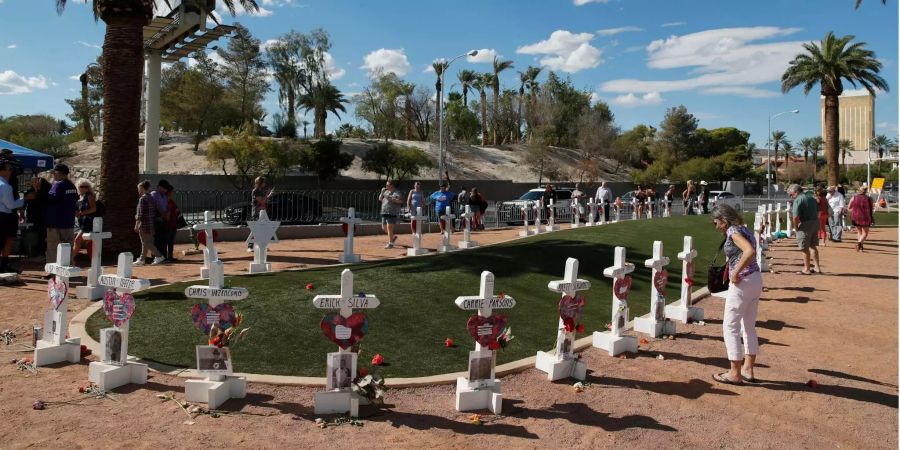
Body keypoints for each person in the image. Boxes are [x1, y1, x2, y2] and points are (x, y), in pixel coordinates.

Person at [710, 204, 762, 386]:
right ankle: (748, 369)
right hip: (755, 279)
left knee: (730, 326)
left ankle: (734, 373)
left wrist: (735, 272)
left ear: (723, 221)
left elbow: (749, 251)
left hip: (743, 282)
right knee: (748, 326)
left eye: (716, 223)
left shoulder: (733, 231)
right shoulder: (744, 229)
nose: (715, 227)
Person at [0, 160, 33, 273]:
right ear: (3, 171)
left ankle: (4, 265)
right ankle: (3, 265)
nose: (11, 171)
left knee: (6, 240)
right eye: (9, 169)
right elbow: (10, 205)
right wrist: (25, 199)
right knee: (6, 240)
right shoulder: (5, 186)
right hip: (4, 216)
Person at [44, 164, 79, 265]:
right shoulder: (71, 186)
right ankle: (67, 269)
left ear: (60, 173)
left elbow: (51, 199)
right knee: (68, 247)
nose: (53, 175)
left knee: (53, 248)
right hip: (68, 222)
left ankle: (52, 271)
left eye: (54, 172)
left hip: (55, 222)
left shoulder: (58, 184)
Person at [787, 184, 820, 274]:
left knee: (804, 247)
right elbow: (818, 211)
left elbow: (795, 217)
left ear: (796, 192)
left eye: (791, 194)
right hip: (815, 222)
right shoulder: (811, 198)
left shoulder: (798, 200)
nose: (791, 196)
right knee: (813, 246)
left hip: (806, 224)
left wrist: (796, 227)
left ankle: (807, 269)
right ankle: (817, 268)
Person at [134, 180, 165, 266]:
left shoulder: (142, 199)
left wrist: (136, 225)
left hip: (143, 225)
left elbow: (140, 214)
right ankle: (142, 259)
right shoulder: (151, 198)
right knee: (146, 242)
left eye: (139, 189)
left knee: (146, 242)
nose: (138, 191)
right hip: (151, 224)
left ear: (142, 188)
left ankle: (159, 256)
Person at [23, 177, 51, 258]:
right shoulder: (29, 192)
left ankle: (41, 251)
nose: (35, 183)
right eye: (33, 182)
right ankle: (33, 250)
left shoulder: (46, 191)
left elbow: (44, 199)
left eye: (37, 181)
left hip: (43, 216)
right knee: (32, 233)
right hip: (32, 216)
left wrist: (37, 190)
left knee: (42, 234)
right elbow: (24, 203)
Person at [72, 179, 97, 261]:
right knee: (85, 241)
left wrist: (81, 213)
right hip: (80, 222)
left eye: (86, 186)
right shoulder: (79, 197)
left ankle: (71, 259)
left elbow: (93, 209)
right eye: (81, 186)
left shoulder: (89, 195)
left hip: (88, 222)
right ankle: (92, 259)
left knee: (77, 240)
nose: (84, 188)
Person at [248, 177, 273, 252]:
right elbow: (261, 201)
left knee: (263, 229)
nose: (265, 184)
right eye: (263, 182)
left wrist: (269, 195)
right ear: (260, 183)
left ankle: (262, 245)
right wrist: (267, 194)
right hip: (256, 212)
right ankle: (250, 246)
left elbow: (264, 200)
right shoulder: (256, 191)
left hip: (262, 211)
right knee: (255, 229)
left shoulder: (260, 191)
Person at [848, 186, 875, 252]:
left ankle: (860, 246)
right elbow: (872, 208)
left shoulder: (853, 198)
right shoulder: (869, 198)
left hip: (856, 216)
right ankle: (859, 243)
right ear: (865, 191)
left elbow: (849, 207)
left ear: (859, 191)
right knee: (865, 233)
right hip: (865, 217)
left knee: (859, 231)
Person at [378, 180, 403, 248]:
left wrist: (389, 198)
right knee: (384, 227)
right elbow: (380, 199)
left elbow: (399, 201)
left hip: (392, 212)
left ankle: (391, 243)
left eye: (387, 185)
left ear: (391, 185)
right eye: (386, 185)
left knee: (389, 228)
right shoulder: (386, 192)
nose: (386, 186)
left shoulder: (397, 192)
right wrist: (382, 192)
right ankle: (393, 237)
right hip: (384, 211)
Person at [150, 180, 170, 261]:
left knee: (163, 239)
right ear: (159, 187)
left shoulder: (164, 196)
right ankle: (156, 257)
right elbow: (156, 206)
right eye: (164, 188)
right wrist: (162, 214)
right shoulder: (154, 194)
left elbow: (166, 206)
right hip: (156, 220)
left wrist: (166, 214)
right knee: (156, 240)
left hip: (163, 220)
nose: (165, 190)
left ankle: (163, 256)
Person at [164, 185, 181, 261]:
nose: (171, 193)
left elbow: (176, 210)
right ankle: (167, 257)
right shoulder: (166, 201)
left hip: (173, 223)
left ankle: (169, 256)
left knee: (170, 241)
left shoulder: (170, 200)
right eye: (171, 192)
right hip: (169, 224)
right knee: (168, 241)